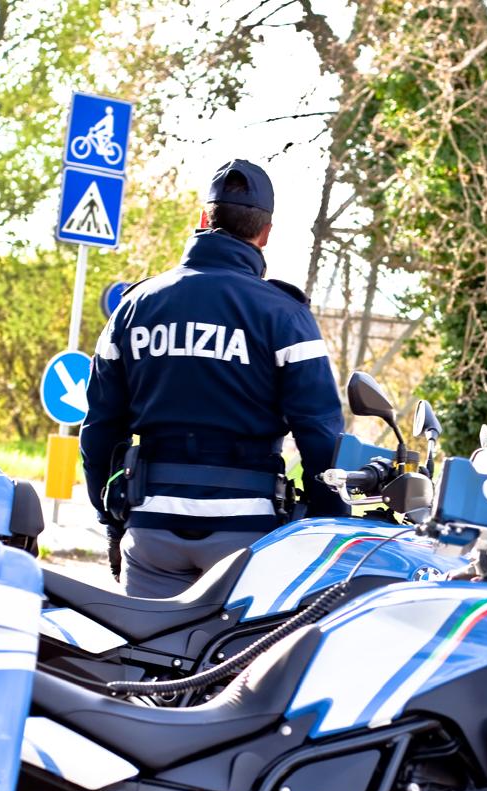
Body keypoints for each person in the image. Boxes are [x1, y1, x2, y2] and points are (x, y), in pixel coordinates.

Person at [81, 159, 347, 598]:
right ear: (265, 234)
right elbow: (321, 436)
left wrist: (110, 520)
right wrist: (326, 523)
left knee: (148, 641)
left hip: (152, 527)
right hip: (248, 536)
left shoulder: (134, 308)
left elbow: (100, 429)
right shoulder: (285, 316)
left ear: (204, 219)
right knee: (247, 647)